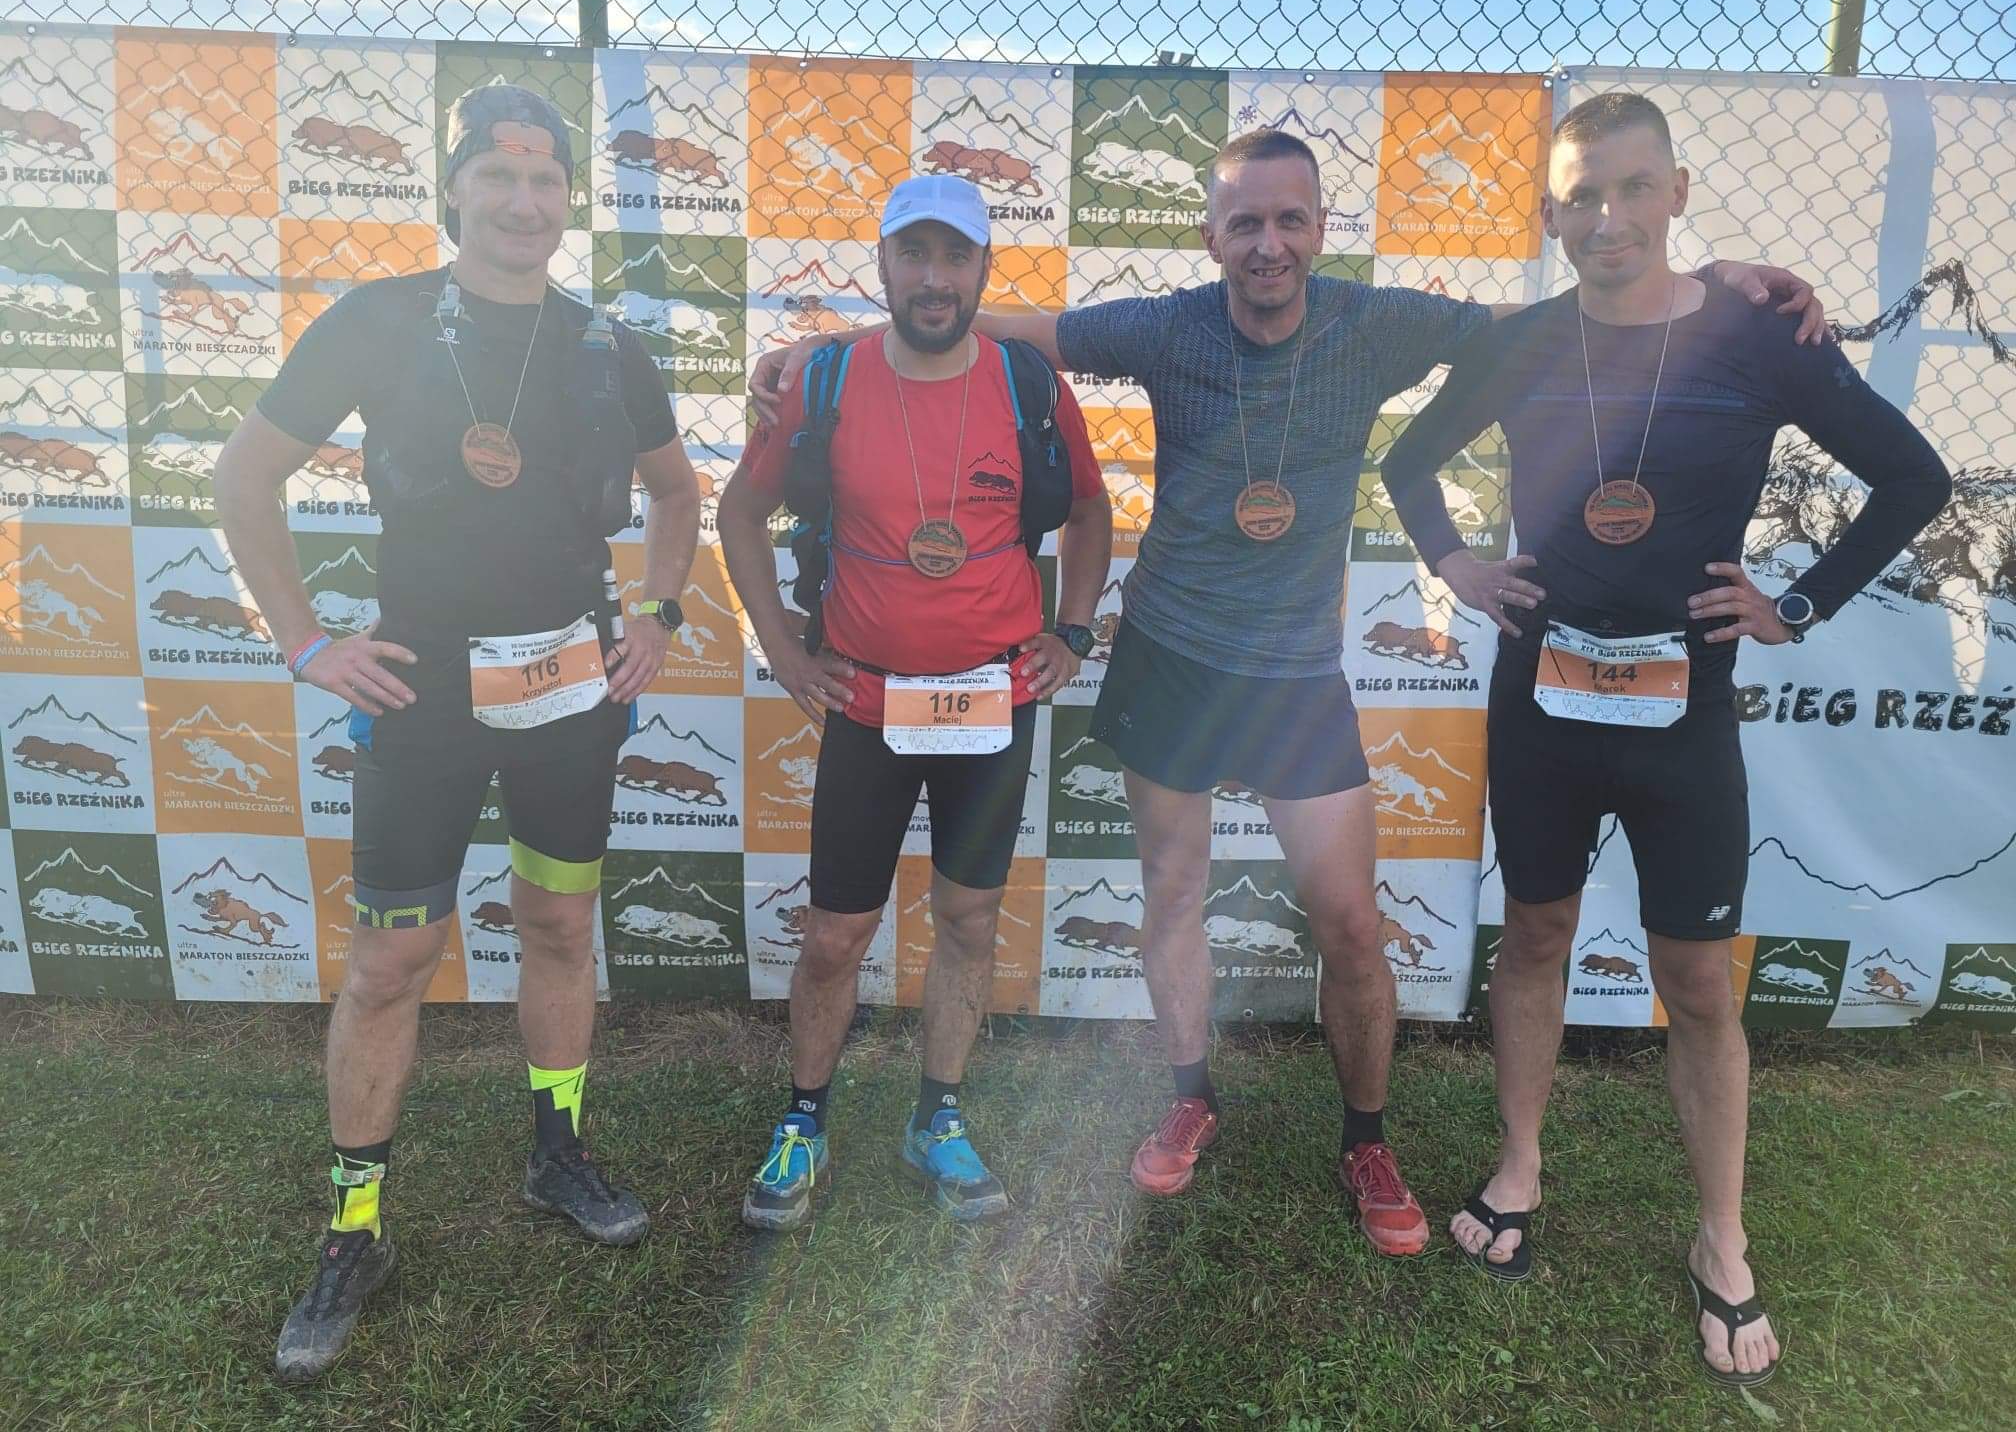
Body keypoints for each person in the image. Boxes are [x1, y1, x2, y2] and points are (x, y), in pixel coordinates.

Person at [752, 128, 1827, 1256]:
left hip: (1298, 674)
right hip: (1170, 654)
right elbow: (1010, 326)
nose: (1268, 243)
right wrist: (835, 341)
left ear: (1320, 228)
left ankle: (1366, 1137)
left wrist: (1711, 284)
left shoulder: (1376, 323)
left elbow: (1543, 318)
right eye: (1245, 223)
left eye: (1289, 220)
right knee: (1173, 894)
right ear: (1211, 235)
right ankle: (1190, 1095)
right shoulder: (1168, 325)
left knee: (1353, 924)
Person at [1381, 92, 1950, 1385]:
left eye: (1635, 187)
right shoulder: (1521, 342)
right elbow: (1410, 463)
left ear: (1679, 193)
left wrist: (1798, 603)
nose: (1609, 218)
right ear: (1551, 214)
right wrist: (1457, 563)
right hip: (1541, 700)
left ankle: (1722, 1236)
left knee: (1696, 980)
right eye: (1582, 195)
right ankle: (1520, 1166)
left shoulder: (1757, 333)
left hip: (1682, 711)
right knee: (1535, 933)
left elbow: (1912, 476)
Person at [214, 84, 702, 1383]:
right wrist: (305, 643)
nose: (524, 202)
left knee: (558, 926)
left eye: (546, 181)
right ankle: (356, 1226)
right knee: (392, 960)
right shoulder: (376, 321)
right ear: (454, 191)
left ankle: (558, 1154)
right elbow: (242, 476)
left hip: (569, 690)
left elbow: (677, 493)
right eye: (499, 176)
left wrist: (657, 615)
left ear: (566, 203)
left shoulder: (606, 345)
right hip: (420, 691)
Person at [722, 175, 1111, 1229]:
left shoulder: (1029, 386)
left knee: (969, 918)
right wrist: (784, 653)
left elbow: (1089, 511)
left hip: (994, 702)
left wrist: (1072, 632)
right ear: (885, 264)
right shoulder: (825, 382)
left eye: (956, 256)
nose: (935, 279)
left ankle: (937, 1114)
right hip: (868, 704)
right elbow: (739, 512)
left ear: (984, 268)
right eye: (915, 254)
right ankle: (805, 1118)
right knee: (836, 934)